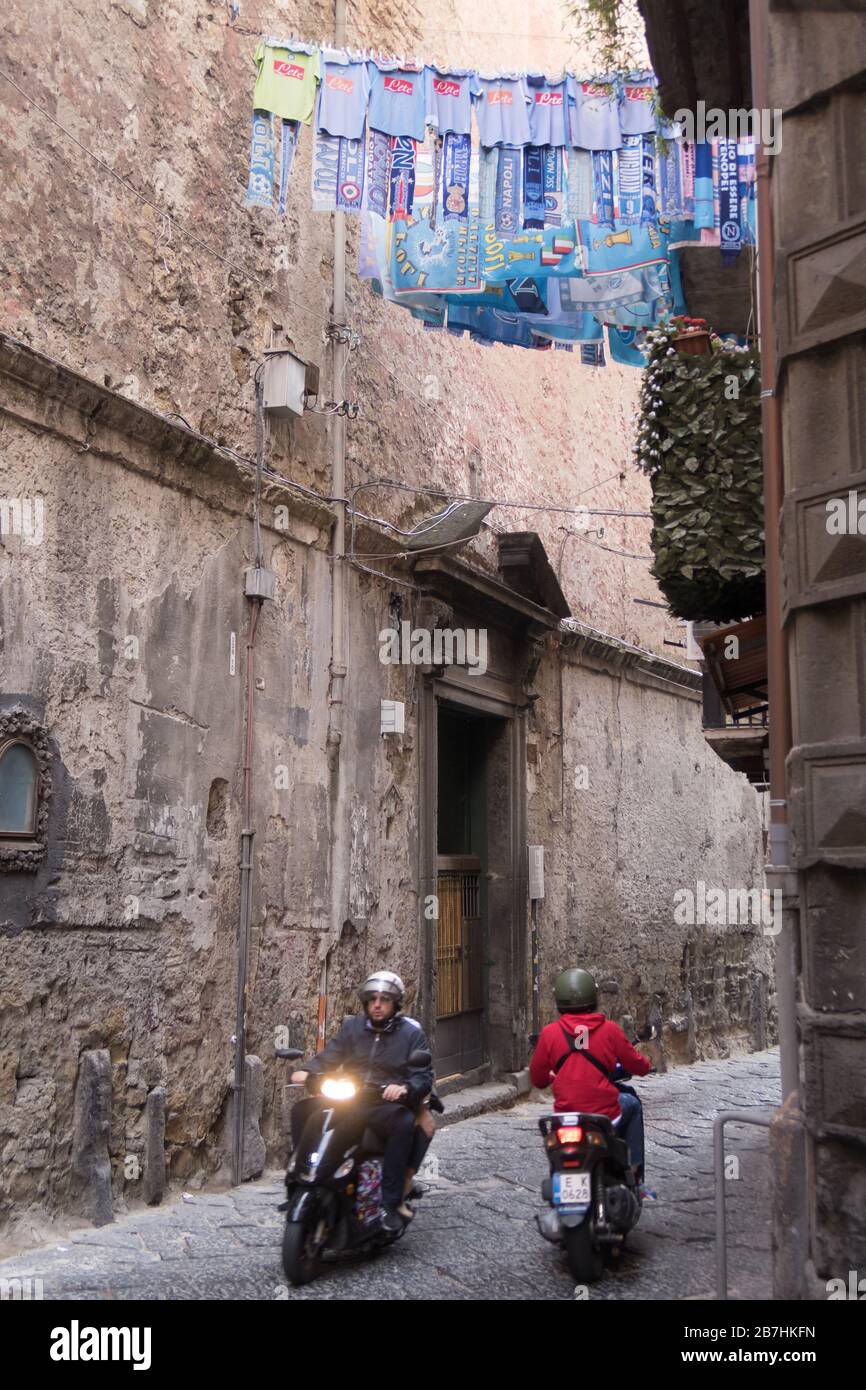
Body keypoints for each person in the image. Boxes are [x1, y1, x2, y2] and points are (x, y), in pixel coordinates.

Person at [289, 970, 434, 1234]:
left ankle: (390, 1203)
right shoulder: (353, 1027)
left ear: (395, 1004)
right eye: (372, 999)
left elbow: (423, 1076)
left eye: (384, 999)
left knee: (402, 1123)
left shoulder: (410, 1034)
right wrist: (309, 1072)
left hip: (383, 1103)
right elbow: (332, 1054)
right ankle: (302, 1179)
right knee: (302, 1111)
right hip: (350, 1098)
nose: (377, 1005)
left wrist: (404, 1088)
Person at [529, 967, 652, 1186]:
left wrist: (552, 1079)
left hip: (567, 1115)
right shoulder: (610, 1030)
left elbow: (537, 1078)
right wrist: (647, 1065)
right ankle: (634, 1173)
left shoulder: (549, 1033)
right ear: (593, 998)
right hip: (603, 1114)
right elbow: (637, 1065)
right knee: (632, 1104)